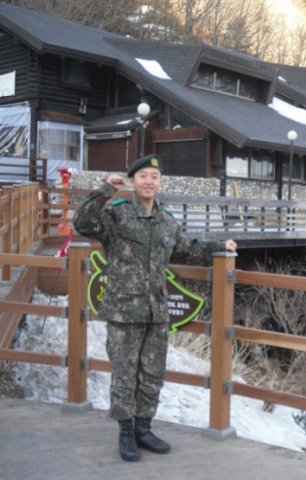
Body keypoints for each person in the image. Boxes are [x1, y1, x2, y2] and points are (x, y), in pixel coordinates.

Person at [73, 154, 237, 462]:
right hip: (124, 312)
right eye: (143, 176)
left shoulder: (166, 220)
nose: (149, 181)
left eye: (155, 177)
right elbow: (83, 223)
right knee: (125, 374)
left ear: (160, 183)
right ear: (133, 181)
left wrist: (219, 246)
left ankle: (143, 429)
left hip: (156, 313)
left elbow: (186, 250)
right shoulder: (118, 215)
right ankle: (125, 432)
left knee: (151, 374)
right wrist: (106, 190)